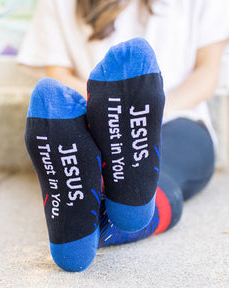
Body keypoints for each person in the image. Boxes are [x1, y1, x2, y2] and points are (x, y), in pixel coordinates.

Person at [18, 0, 229, 272]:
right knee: (154, 175)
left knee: (154, 170)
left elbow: (206, 74)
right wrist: (106, 116)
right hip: (92, 130)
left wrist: (148, 114)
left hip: (179, 117)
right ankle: (116, 214)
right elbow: (59, 81)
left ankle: (78, 224)